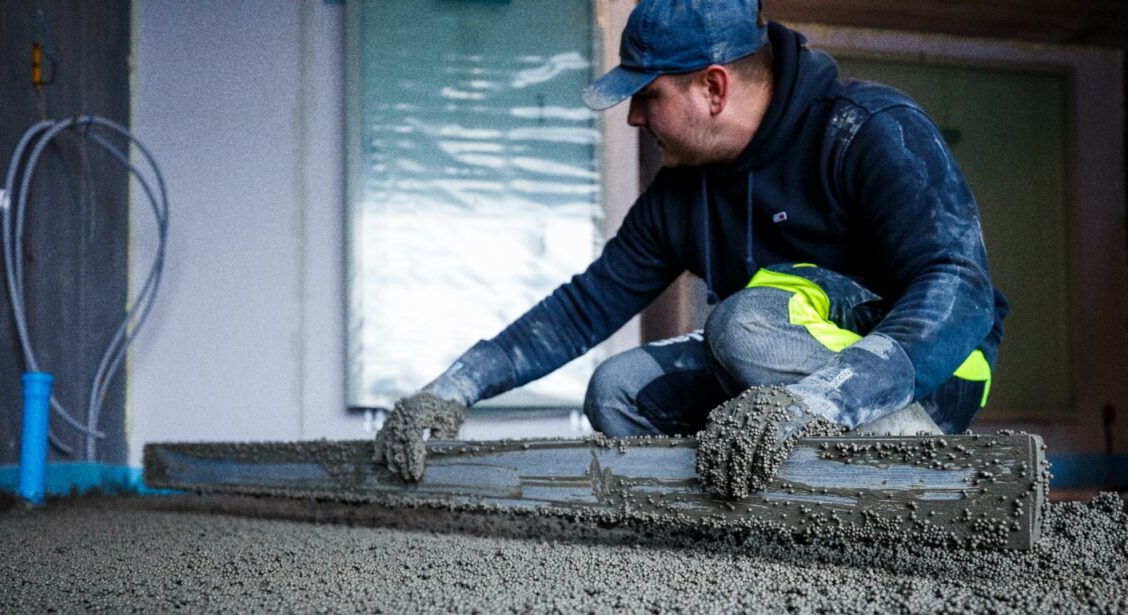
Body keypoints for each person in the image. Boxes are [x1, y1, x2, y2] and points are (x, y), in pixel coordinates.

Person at [374, 0, 1007, 500]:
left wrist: (820, 401)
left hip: (931, 374)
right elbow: (582, 308)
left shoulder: (868, 129)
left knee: (743, 321)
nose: (633, 119)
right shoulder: (682, 194)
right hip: (772, 377)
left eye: (647, 96)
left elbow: (960, 288)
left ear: (713, 87)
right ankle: (754, 523)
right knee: (617, 391)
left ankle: (903, 461)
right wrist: (454, 387)